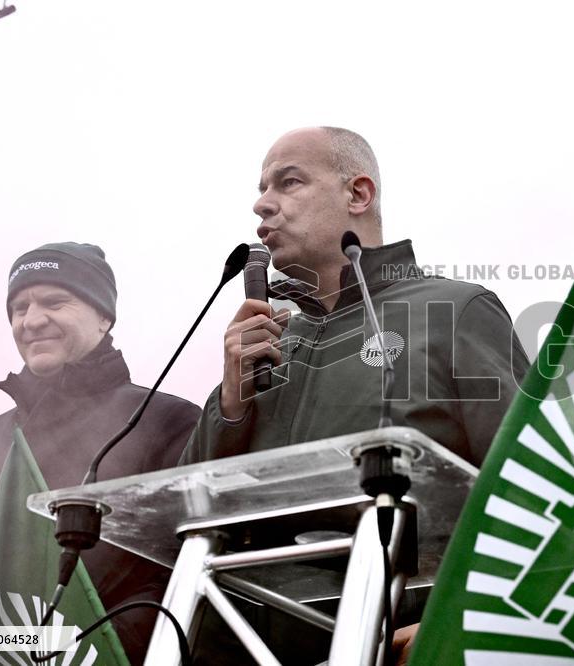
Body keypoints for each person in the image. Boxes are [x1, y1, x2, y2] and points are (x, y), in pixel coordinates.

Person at [180, 127, 530, 663]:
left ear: (358, 194)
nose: (262, 204)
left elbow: (525, 490)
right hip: (240, 642)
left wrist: (456, 616)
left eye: (288, 182)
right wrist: (230, 401)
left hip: (397, 638)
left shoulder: (453, 311)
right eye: (261, 188)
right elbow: (182, 516)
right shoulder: (268, 342)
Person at [0, 242, 201, 664]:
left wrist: (72, 653)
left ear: (104, 317)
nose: (31, 320)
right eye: (19, 308)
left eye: (54, 302)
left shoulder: (165, 420)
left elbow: (174, 580)